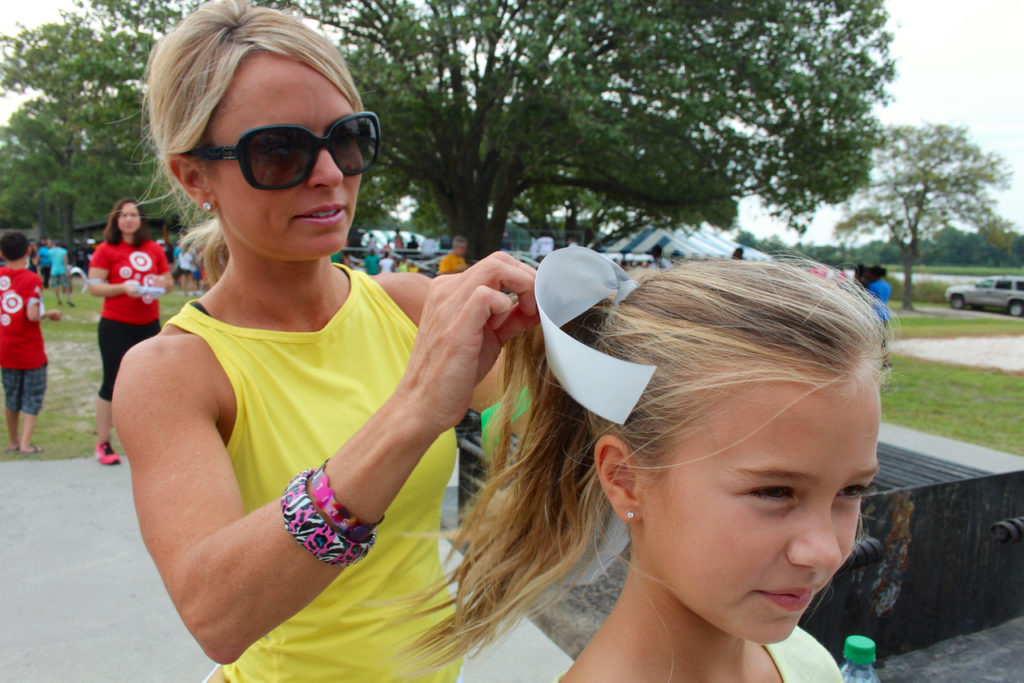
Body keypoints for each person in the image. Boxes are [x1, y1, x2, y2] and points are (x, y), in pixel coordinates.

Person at [114, 1, 538, 680]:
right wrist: (412, 411)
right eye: (278, 150)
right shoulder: (176, 370)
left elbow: (552, 436)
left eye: (345, 138)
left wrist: (566, 342)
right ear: (195, 177)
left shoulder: (409, 304)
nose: (329, 173)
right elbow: (216, 614)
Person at [419, 246, 887, 682]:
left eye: (852, 491)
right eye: (775, 492)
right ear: (625, 478)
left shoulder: (810, 664)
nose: (826, 552)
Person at [87, 197, 173, 465]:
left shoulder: (152, 249)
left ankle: (148, 443)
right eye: (123, 215)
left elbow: (169, 281)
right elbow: (94, 286)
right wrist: (122, 288)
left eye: (133, 215)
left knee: (149, 383)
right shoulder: (106, 249)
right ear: (116, 220)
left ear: (141, 220)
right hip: (115, 323)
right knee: (111, 382)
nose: (128, 219)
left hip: (148, 322)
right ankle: (103, 443)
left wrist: (162, 281)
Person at [0, 231, 62, 454]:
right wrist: (50, 314)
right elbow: (32, 315)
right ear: (28, 251)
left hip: (6, 347)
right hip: (30, 349)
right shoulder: (32, 279)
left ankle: (12, 441)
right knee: (32, 396)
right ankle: (26, 443)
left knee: (11, 396)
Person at [48, 240, 74, 306]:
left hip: (54, 270)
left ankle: (58, 299)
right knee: (66, 285)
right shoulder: (63, 251)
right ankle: (68, 299)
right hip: (62, 270)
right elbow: (65, 261)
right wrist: (67, 271)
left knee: (56, 286)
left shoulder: (50, 251)